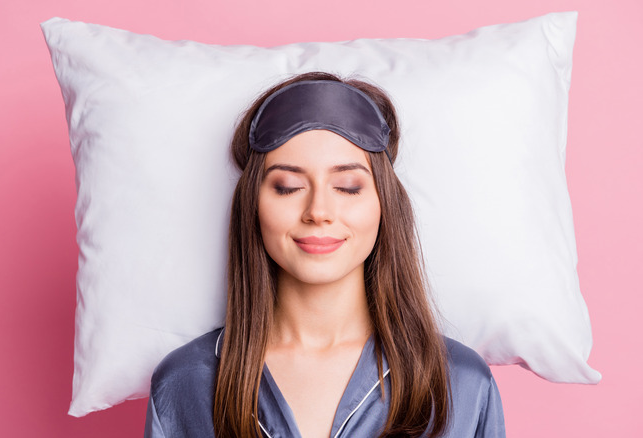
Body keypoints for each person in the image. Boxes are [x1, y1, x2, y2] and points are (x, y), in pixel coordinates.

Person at [144, 71, 505, 438]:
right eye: (288, 187)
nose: (318, 210)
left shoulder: (462, 383)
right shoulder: (185, 384)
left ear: (384, 204)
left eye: (347, 187)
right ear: (252, 205)